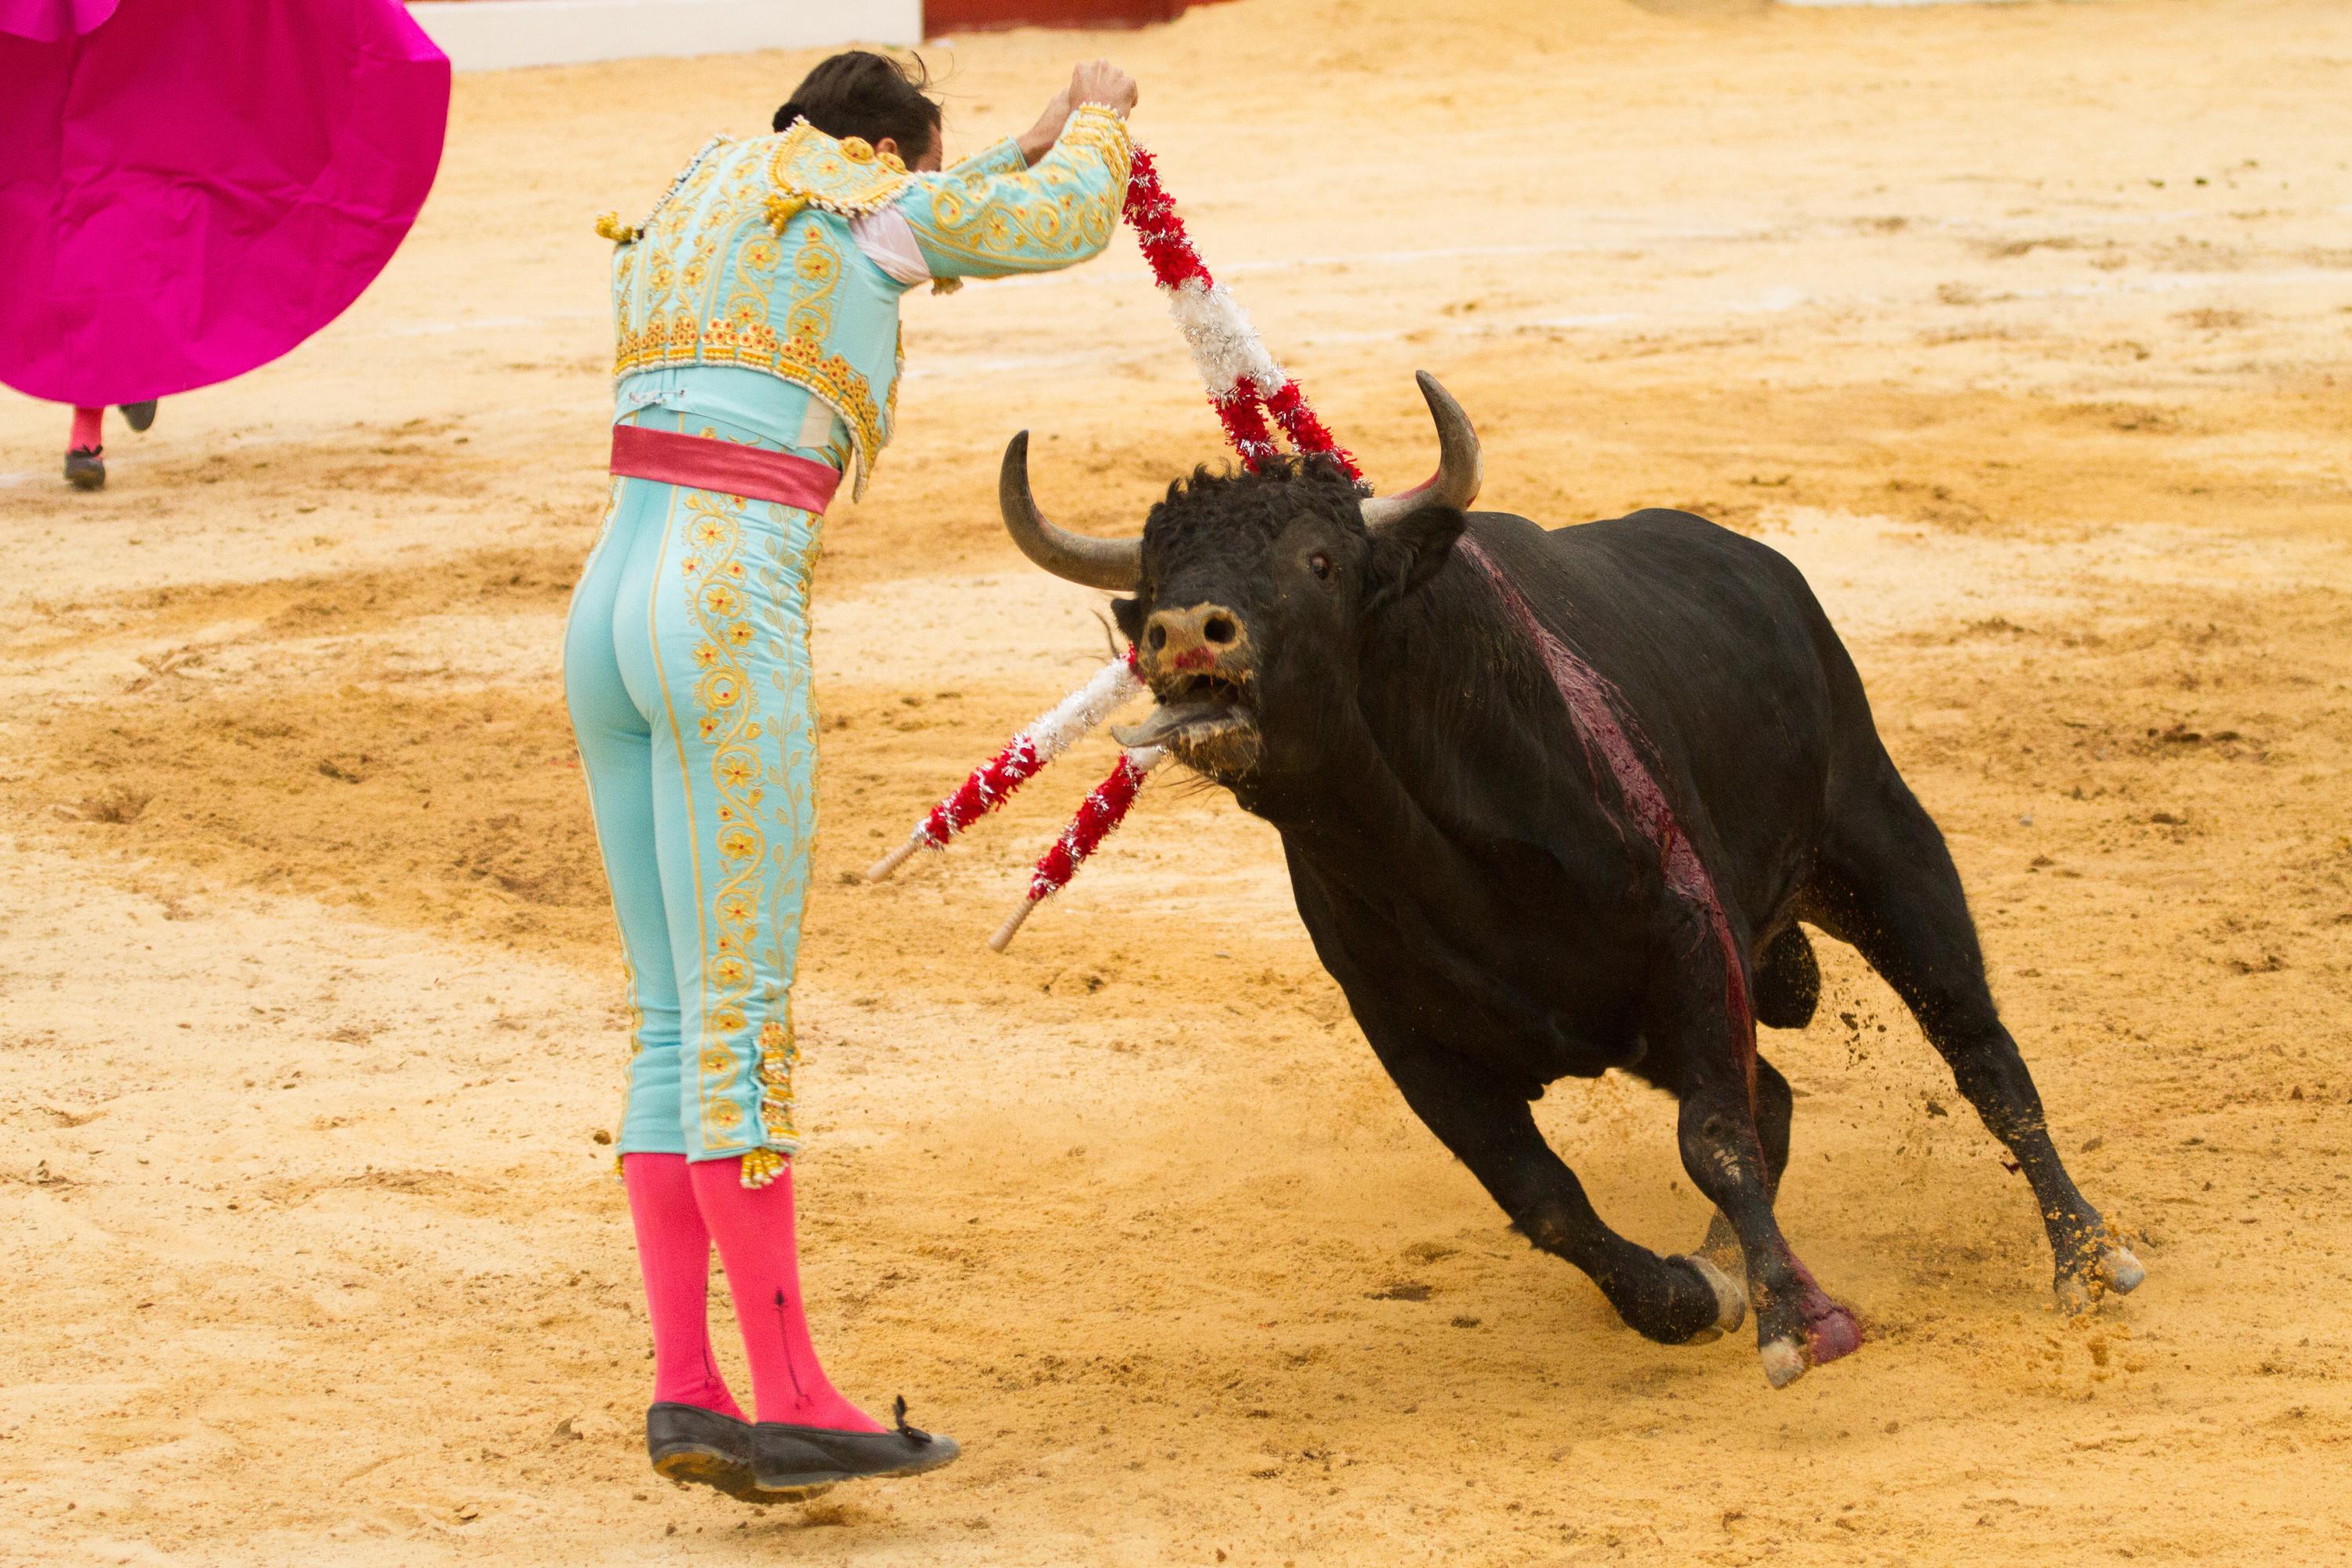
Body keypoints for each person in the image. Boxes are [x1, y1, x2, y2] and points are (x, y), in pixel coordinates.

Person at [564, 49, 1138, 1503]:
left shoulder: (709, 193)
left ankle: (689, 1391)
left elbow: (926, 210)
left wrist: (1018, 138)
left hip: (610, 604)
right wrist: (1109, 125)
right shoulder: (873, 202)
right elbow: (1059, 225)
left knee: (671, 1018)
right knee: (741, 1019)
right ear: (889, 147)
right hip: (721, 605)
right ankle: (795, 1394)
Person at [0, 0, 448, 490]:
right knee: (75, 213)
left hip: (155, 42)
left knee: (114, 212)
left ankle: (96, 414)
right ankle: (127, 371)